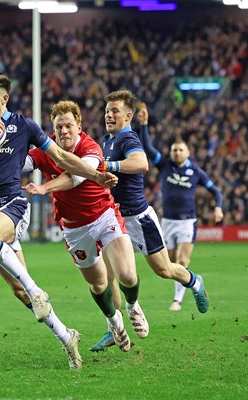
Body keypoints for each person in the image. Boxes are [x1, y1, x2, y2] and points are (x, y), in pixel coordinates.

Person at [0, 73, 117, 369]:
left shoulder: (23, 126)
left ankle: (36, 289)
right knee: (18, 290)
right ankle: (66, 336)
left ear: (4, 98)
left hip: (13, 204)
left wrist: (96, 175)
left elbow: (60, 156)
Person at [23, 100, 149, 352]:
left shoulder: (90, 147)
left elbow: (75, 177)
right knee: (98, 284)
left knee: (126, 275)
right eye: (59, 127)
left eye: (69, 125)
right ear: (53, 128)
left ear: (78, 125)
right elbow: (24, 163)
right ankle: (115, 323)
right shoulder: (46, 149)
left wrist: (44, 187)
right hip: (75, 229)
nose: (64, 131)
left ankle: (133, 305)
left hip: (104, 216)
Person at [90, 90, 210, 352]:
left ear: (128, 116)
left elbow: (141, 162)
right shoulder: (106, 139)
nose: (108, 115)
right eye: (107, 110)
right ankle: (115, 328)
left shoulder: (128, 137)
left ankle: (194, 281)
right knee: (109, 275)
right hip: (114, 217)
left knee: (164, 270)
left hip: (138, 219)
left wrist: (109, 167)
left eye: (115, 111)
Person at [136, 103, 223, 311]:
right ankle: (194, 280)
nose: (176, 152)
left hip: (187, 222)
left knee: (182, 260)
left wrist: (218, 207)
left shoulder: (196, 172)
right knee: (171, 263)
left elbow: (216, 191)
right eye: (174, 149)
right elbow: (147, 148)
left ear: (188, 152)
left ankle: (177, 300)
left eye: (180, 149)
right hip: (167, 222)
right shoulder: (165, 165)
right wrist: (144, 125)